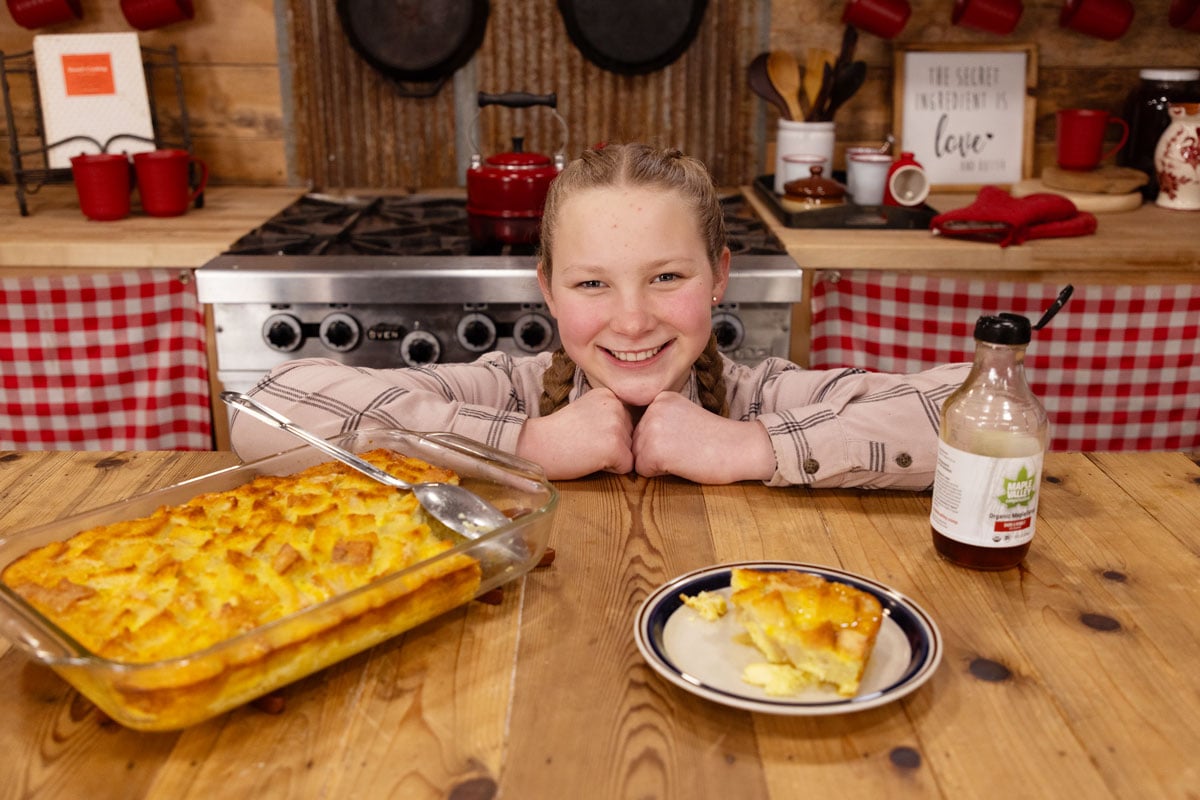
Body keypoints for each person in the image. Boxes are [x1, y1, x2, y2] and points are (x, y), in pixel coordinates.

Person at [230, 143, 968, 488]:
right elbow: (270, 410)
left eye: (667, 277)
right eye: (591, 284)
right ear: (547, 292)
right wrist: (523, 443)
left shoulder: (758, 395)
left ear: (719, 277)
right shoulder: (509, 390)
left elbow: (982, 416)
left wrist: (750, 450)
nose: (632, 319)